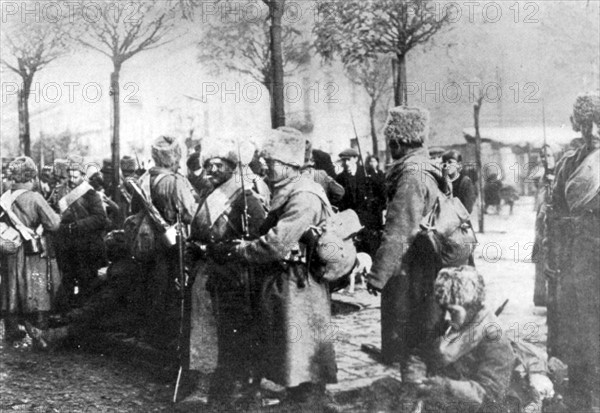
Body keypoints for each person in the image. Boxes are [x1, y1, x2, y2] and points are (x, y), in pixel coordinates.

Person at [220, 127, 339, 410]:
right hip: (287, 282)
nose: (265, 166)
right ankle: (301, 395)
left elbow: (277, 243)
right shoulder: (287, 190)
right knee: (291, 349)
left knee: (301, 349)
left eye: (270, 161)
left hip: (300, 285)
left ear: (289, 165)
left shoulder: (304, 195)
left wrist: (242, 250)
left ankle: (310, 399)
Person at [184, 140, 267, 409]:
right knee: (204, 331)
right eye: (209, 165)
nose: (212, 170)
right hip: (206, 273)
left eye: (219, 165)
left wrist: (221, 249)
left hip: (234, 275)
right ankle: (204, 385)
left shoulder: (246, 199)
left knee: (234, 334)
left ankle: (239, 387)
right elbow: (197, 232)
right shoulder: (208, 196)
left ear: (232, 168)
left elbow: (256, 237)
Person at [368, 266, 515, 413]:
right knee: (382, 386)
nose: (446, 317)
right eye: (445, 309)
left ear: (471, 307)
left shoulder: (494, 339)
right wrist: (414, 381)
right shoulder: (448, 326)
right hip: (431, 396)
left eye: (452, 311)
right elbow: (418, 354)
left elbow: (490, 395)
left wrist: (446, 387)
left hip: (464, 406)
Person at [366, 106, 450, 366]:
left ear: (400, 142)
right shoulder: (425, 167)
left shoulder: (411, 175)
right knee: (424, 330)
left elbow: (399, 231)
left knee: (408, 341)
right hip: (425, 266)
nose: (390, 148)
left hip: (410, 271)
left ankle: (413, 391)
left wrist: (377, 276)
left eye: (392, 143)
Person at [545, 92, 600, 411]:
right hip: (577, 254)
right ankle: (580, 391)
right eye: (587, 125)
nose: (592, 132)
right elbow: (553, 211)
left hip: (587, 251)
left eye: (597, 124)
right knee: (579, 326)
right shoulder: (569, 161)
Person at [25, 230, 145, 349]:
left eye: (108, 247)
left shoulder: (120, 271)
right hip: (123, 314)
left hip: (124, 318)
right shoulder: (122, 266)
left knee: (86, 324)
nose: (105, 250)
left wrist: (73, 315)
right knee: (83, 318)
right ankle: (49, 337)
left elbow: (103, 302)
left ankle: (48, 337)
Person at [132, 135, 198, 346]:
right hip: (171, 241)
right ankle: (166, 337)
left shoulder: (144, 178)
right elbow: (189, 214)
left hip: (147, 240)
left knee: (151, 285)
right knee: (170, 287)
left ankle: (148, 332)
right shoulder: (174, 181)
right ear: (175, 156)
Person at [0, 157, 61, 343]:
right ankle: (38, 329)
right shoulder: (35, 198)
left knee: (10, 286)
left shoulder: (4, 198)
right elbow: (53, 223)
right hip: (32, 252)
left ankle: (11, 328)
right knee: (36, 287)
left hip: (11, 249)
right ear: (31, 177)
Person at [53, 155, 108, 306]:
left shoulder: (90, 193)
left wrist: (77, 225)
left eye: (75, 174)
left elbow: (100, 218)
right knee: (68, 280)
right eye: (69, 173)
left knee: (87, 282)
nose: (71, 177)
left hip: (87, 244)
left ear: (83, 175)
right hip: (68, 244)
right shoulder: (59, 192)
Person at [336, 148, 382, 255]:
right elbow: (339, 202)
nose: (346, 163)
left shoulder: (368, 173)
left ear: (356, 159)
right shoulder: (340, 179)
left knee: (372, 249)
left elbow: (381, 195)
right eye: (343, 160)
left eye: (348, 159)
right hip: (351, 221)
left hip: (369, 220)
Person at [441, 150, 477, 214]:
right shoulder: (442, 181)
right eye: (444, 163)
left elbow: (467, 209)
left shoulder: (465, 182)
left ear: (459, 165)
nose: (446, 165)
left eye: (450, 162)